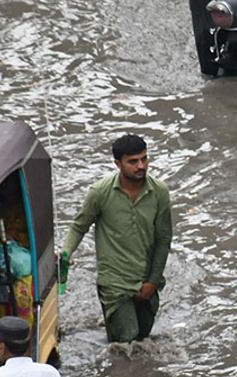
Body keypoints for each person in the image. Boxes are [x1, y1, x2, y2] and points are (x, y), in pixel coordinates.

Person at [62, 134, 173, 344]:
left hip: (146, 278)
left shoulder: (159, 193)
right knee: (126, 341)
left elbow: (163, 240)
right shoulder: (100, 193)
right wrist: (65, 253)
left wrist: (151, 281)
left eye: (144, 159)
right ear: (117, 164)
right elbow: (79, 226)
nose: (141, 166)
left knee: (143, 338)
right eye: (133, 162)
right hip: (114, 282)